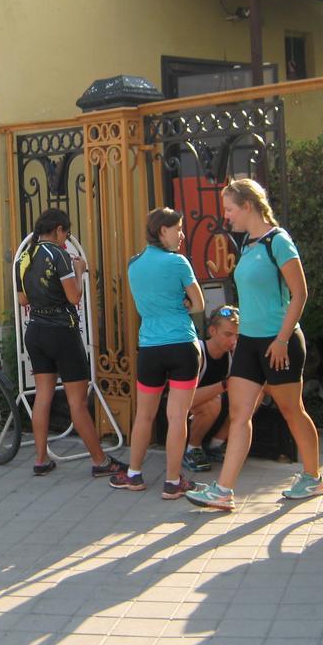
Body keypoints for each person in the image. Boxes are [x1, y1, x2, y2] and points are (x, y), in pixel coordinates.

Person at [186, 179, 323, 511]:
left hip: (280, 343)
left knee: (293, 412)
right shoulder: (248, 242)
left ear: (247, 206)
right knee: (239, 414)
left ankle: (313, 478)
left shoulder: (279, 242)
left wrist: (281, 339)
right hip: (249, 342)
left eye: (230, 209)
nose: (227, 216)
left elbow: (300, 294)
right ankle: (223, 491)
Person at [17, 208, 127, 478]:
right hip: (62, 333)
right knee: (77, 402)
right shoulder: (60, 255)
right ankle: (100, 461)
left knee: (43, 396)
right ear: (57, 230)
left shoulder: (26, 255)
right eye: (66, 233)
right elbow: (75, 297)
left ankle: (41, 459)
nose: (66, 239)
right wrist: (79, 271)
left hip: (35, 332)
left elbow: (23, 301)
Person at [109, 208, 204, 499]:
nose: (182, 234)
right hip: (181, 344)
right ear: (163, 231)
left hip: (150, 347)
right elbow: (199, 303)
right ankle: (173, 482)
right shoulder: (179, 263)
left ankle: (134, 474)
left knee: (144, 416)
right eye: (178, 228)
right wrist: (183, 306)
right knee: (177, 417)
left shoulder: (133, 265)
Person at [182, 305, 239, 473]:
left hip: (215, 408)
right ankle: (192, 449)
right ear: (212, 331)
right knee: (213, 402)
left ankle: (216, 444)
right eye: (228, 335)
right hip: (186, 408)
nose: (233, 341)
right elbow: (183, 398)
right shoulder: (198, 351)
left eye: (236, 335)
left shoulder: (232, 354)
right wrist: (223, 385)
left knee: (256, 393)